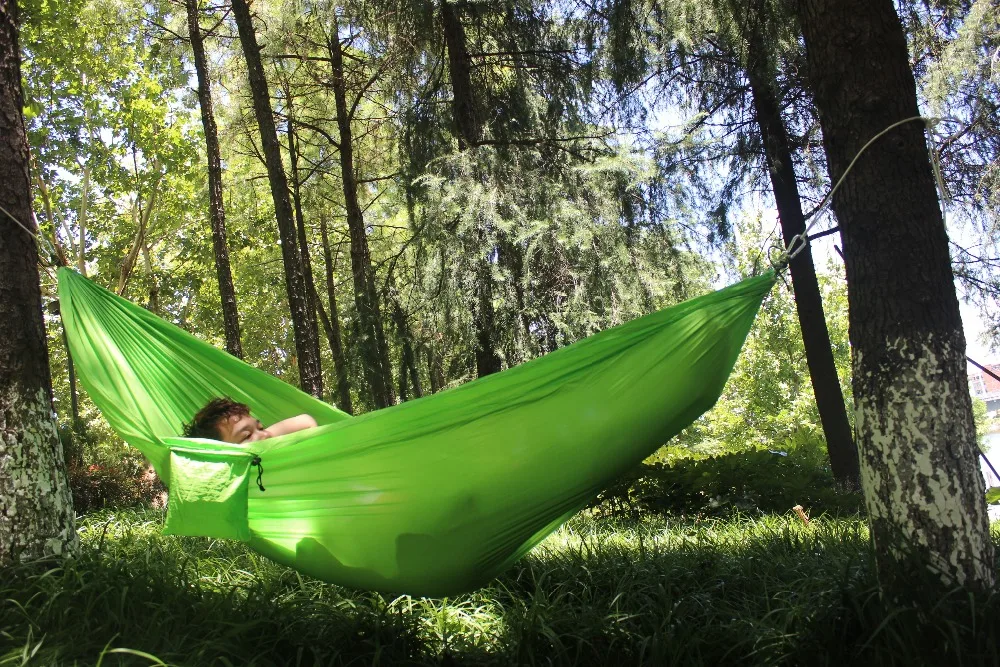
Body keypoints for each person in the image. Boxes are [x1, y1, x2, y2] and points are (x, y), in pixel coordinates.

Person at [183, 397, 317, 444]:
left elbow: (306, 421)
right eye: (246, 436)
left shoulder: (268, 439)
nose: (264, 434)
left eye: (260, 427)